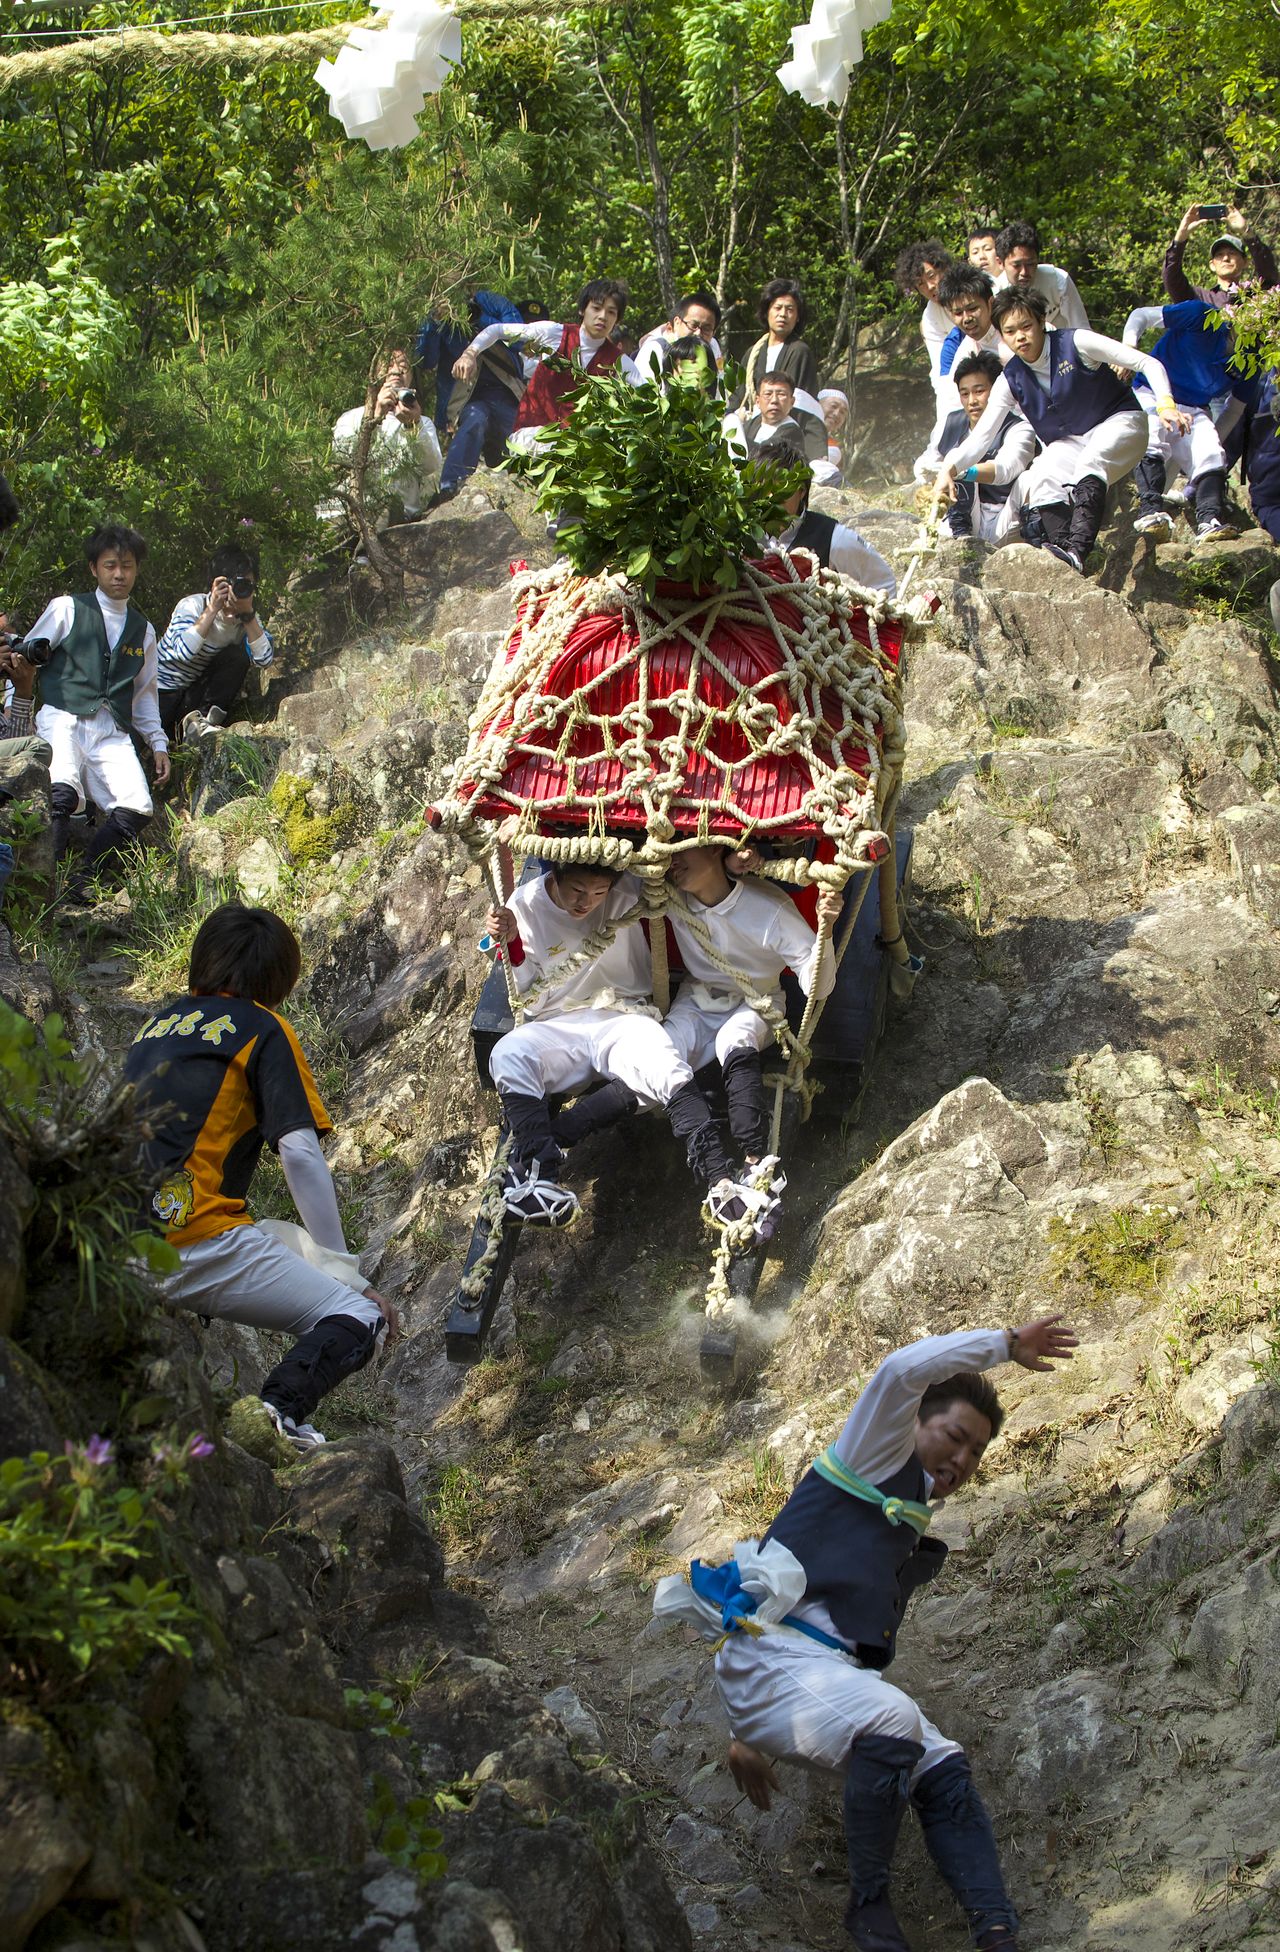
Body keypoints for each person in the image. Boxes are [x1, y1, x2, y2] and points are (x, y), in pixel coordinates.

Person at [656, 1316, 1079, 1952]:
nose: (962, 1460)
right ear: (914, 1423)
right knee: (894, 1717)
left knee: (941, 1763)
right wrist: (1006, 1346)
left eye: (975, 1452)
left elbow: (832, 1640)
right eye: (954, 1437)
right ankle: (869, 1909)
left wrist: (752, 1738)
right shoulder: (873, 1452)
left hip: (808, 1678)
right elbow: (899, 1370)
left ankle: (996, 1931)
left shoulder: (909, 1510)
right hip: (771, 1663)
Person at [124, 903, 395, 1464]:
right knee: (359, 1316)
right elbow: (299, 1153)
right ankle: (276, 1416)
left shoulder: (155, 1025)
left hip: (108, 1236)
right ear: (279, 978)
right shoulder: (260, 1027)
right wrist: (345, 1269)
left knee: (271, 1231)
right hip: (188, 1238)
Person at [484, 861, 757, 1230]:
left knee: (666, 1065)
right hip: (561, 1021)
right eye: (577, 891)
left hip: (624, 1014)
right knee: (508, 1053)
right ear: (555, 876)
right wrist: (512, 941)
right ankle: (539, 1177)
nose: (587, 903)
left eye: (598, 893)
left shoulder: (628, 889)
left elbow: (681, 862)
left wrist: (737, 862)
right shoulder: (526, 904)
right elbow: (530, 999)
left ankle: (720, 1180)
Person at [936, 287, 1179, 574]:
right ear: (1002, 335)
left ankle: (1077, 549)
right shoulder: (1010, 378)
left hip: (1121, 422)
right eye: (1011, 331)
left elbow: (1147, 363)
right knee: (1041, 474)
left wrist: (1165, 405)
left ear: (1041, 322)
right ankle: (1064, 551)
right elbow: (981, 437)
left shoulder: (1076, 342)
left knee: (1092, 460)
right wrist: (948, 470)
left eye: (1026, 326)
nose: (1021, 337)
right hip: (1073, 440)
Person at [662, 844, 840, 1219]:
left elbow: (818, 986)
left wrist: (826, 932)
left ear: (715, 850)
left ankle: (754, 1157)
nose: (672, 859)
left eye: (684, 848)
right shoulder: (670, 893)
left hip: (756, 999)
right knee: (660, 1057)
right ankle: (716, 1171)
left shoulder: (768, 908)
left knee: (734, 1039)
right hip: (696, 998)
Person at [21, 523, 169, 899]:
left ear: (137, 569)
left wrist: (157, 741)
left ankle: (82, 879)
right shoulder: (67, 608)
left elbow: (144, 695)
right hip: (63, 716)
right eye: (110, 565)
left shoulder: (144, 630)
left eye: (128, 566)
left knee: (137, 807)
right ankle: (41, 890)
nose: (119, 574)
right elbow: (26, 657)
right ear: (94, 568)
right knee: (60, 793)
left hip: (111, 730)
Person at [452, 279, 639, 456]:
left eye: (611, 312)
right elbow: (497, 330)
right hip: (530, 438)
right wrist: (469, 355)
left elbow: (649, 393)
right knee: (566, 446)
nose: (602, 317)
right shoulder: (555, 334)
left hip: (577, 448)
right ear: (583, 310)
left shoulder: (618, 361)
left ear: (618, 320)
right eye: (596, 308)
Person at [1122, 298, 1241, 542]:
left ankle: (1209, 521)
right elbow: (1141, 314)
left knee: (1210, 451)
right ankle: (1150, 511)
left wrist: (1203, 452)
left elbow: (1234, 410)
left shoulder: (1254, 355)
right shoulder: (1203, 316)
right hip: (1151, 391)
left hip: (1194, 409)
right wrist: (1128, 349)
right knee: (1153, 432)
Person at [156, 544, 274, 741]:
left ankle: (201, 723)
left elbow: (265, 661)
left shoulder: (247, 619)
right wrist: (211, 610)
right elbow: (182, 653)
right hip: (159, 696)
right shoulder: (193, 606)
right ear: (216, 584)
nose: (239, 590)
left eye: (247, 585)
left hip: (191, 697)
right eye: (233, 584)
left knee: (237, 656)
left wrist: (248, 616)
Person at [756, 432, 896, 593]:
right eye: (764, 488)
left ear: (801, 491)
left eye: (781, 489)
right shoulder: (741, 533)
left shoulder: (831, 536)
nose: (772, 498)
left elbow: (883, 581)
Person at [428, 292, 529, 508]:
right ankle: (450, 487)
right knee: (475, 418)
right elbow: (426, 359)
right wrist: (432, 320)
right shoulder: (434, 310)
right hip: (465, 400)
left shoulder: (490, 301)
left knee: (523, 443)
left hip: (505, 394)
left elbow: (519, 337)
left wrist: (477, 317)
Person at [913, 265, 1005, 481]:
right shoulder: (965, 349)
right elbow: (951, 405)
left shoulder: (1013, 331)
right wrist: (934, 453)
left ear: (990, 303)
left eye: (973, 309)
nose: (967, 318)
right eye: (958, 313)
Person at [330, 349, 443, 523]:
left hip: (397, 515)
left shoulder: (423, 423)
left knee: (388, 507)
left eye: (403, 367)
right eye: (389, 365)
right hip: (348, 512)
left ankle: (364, 552)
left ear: (411, 377)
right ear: (375, 374)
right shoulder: (351, 417)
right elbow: (341, 456)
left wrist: (412, 425)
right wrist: (375, 418)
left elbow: (430, 466)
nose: (396, 371)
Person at [932, 351, 1035, 542]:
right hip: (967, 517)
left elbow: (1006, 469)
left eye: (979, 391)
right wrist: (940, 472)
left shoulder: (1020, 428)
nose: (972, 401)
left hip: (1006, 519)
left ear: (997, 391)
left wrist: (961, 471)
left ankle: (1037, 543)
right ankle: (961, 538)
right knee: (951, 459)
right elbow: (927, 462)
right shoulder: (949, 423)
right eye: (965, 394)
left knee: (1032, 478)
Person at [735, 279, 827, 462]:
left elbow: (801, 403)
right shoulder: (753, 352)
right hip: (754, 425)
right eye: (777, 308)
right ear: (767, 311)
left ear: (798, 316)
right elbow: (739, 395)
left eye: (790, 309)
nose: (783, 314)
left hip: (786, 433)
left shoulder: (799, 351)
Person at [1163, 203, 1278, 309]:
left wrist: (1246, 231)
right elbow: (1172, 279)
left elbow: (1269, 273)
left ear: (1245, 262)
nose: (1225, 258)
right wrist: (1180, 237)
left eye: (1232, 253)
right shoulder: (1199, 297)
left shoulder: (1255, 295)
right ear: (1212, 265)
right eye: (1219, 255)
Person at [994, 220, 1089, 330]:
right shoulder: (996, 292)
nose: (1024, 272)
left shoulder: (1058, 280)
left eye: (1030, 264)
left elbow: (1080, 326)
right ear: (1000, 263)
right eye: (1016, 265)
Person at [892, 241, 955, 401]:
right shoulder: (930, 317)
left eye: (932, 276)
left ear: (944, 269)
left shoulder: (974, 290)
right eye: (921, 284)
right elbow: (940, 368)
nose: (930, 286)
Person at [635, 290, 723, 383]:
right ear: (677, 322)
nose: (698, 333)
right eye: (693, 325)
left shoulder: (713, 346)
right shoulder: (654, 350)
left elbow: (720, 388)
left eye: (706, 329)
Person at [819, 388, 850, 481]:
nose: (836, 414)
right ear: (817, 405)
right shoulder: (793, 430)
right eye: (833, 406)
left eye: (842, 412)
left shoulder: (833, 448)